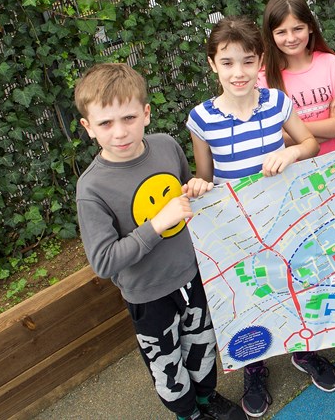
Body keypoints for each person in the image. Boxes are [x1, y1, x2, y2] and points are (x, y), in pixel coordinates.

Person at [185, 17, 335, 418]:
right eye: (228, 62)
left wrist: (290, 152)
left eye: (248, 61)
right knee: (248, 295)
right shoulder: (201, 119)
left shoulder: (277, 104)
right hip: (235, 231)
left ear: (261, 64)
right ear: (212, 64)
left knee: (292, 283)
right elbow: (205, 177)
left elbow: (308, 143)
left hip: (282, 220)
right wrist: (198, 186)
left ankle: (304, 350)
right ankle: (255, 366)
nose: (239, 72)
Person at [74, 63, 245, 420]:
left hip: (191, 275)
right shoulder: (91, 189)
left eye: (129, 118)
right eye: (105, 123)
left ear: (146, 114)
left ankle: (206, 398)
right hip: (148, 295)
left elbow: (184, 198)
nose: (120, 132)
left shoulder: (167, 147)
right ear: (88, 128)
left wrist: (197, 188)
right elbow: (104, 262)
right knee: (166, 362)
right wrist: (155, 225)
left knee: (203, 344)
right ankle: (187, 413)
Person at [259, 0, 335, 155]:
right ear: (271, 35)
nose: (291, 38)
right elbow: (271, 137)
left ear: (310, 26)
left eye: (298, 29)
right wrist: (330, 125)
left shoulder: (330, 63)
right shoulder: (263, 79)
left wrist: (291, 131)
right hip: (292, 172)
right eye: (281, 32)